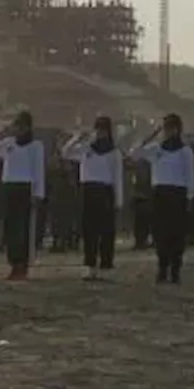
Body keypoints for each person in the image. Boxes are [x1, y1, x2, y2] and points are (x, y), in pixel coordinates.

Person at [129, 114, 194, 284]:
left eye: (172, 128)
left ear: (177, 130)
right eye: (166, 128)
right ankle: (162, 267)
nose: (169, 131)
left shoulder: (185, 151)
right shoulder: (156, 148)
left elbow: (190, 176)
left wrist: (190, 197)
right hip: (160, 193)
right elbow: (134, 154)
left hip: (178, 193)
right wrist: (149, 136)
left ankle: (175, 269)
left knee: (177, 234)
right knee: (160, 233)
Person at [0, 111, 46, 280]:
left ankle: (22, 264)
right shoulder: (8, 143)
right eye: (16, 125)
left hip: (25, 187)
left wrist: (38, 193)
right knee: (10, 228)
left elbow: (39, 170)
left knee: (23, 228)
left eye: (21, 126)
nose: (18, 129)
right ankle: (13, 262)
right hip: (9, 186)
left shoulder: (36, 146)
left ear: (28, 127)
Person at [62, 116, 124, 281]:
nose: (100, 133)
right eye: (98, 129)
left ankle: (106, 265)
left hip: (105, 190)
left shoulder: (114, 152)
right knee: (89, 231)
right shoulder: (86, 148)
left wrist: (119, 200)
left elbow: (118, 177)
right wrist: (77, 137)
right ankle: (90, 265)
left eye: (103, 130)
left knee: (106, 231)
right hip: (88, 190)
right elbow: (66, 152)